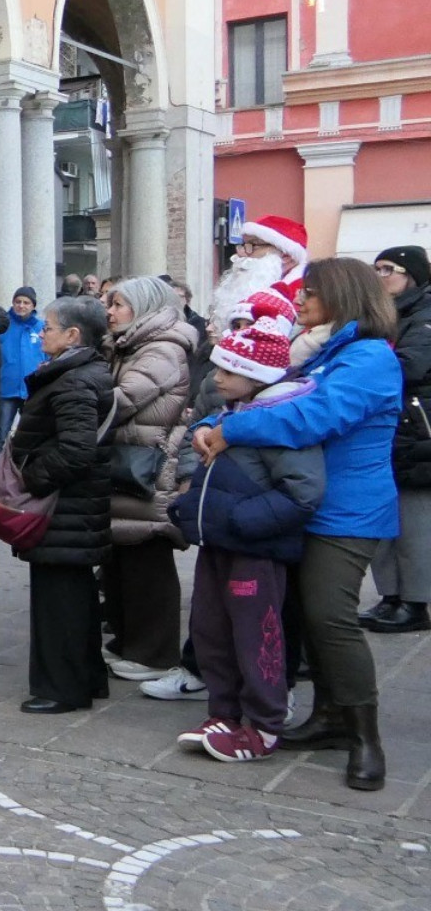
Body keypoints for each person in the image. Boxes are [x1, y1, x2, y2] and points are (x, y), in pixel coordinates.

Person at [193, 258, 400, 791]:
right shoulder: (324, 353)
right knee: (304, 615)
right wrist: (213, 423)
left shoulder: (370, 358)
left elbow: (315, 416)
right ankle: (330, 717)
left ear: (344, 297)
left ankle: (364, 737)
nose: (300, 300)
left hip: (348, 512)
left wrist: (233, 433)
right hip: (303, 508)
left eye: (311, 292)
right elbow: (268, 396)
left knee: (330, 617)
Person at [166, 320, 321, 761]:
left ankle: (265, 726)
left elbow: (303, 492)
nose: (216, 379)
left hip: (253, 550)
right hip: (220, 545)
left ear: (257, 377)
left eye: (229, 372)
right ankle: (225, 713)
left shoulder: (282, 420)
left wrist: (238, 520)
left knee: (257, 636)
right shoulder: (236, 414)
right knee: (211, 629)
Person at [11, 296, 115, 714]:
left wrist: (32, 476)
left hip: (66, 506)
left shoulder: (74, 379)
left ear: (73, 335)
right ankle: (87, 677)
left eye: (49, 327)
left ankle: (62, 689)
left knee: (60, 603)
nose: (41, 334)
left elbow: (76, 449)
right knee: (74, 596)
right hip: (73, 507)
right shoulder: (77, 372)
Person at [100, 276, 197, 682]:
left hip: (150, 466)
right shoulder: (130, 344)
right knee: (123, 557)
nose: (110, 311)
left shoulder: (161, 349)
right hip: (129, 461)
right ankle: (128, 642)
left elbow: (121, 400)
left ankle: (154, 653)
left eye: (118, 304)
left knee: (146, 558)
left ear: (143, 308)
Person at [366, 245, 431, 633]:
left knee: (415, 524)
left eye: (387, 269)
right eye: (374, 269)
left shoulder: (424, 317)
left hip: (416, 430)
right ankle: (390, 597)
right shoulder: (384, 316)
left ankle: (416, 603)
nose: (379, 276)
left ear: (412, 275)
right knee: (383, 522)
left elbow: (409, 365)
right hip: (387, 428)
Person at [0, 287, 43, 458]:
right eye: (18, 302)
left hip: (32, 389)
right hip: (7, 388)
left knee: (30, 434)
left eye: (26, 302)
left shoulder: (41, 327)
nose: (21, 306)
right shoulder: (4, 324)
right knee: (0, 432)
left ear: (33, 306)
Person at [236, 214, 310, 303]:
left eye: (253, 245)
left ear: (286, 256)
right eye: (243, 245)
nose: (240, 253)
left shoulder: (302, 296)